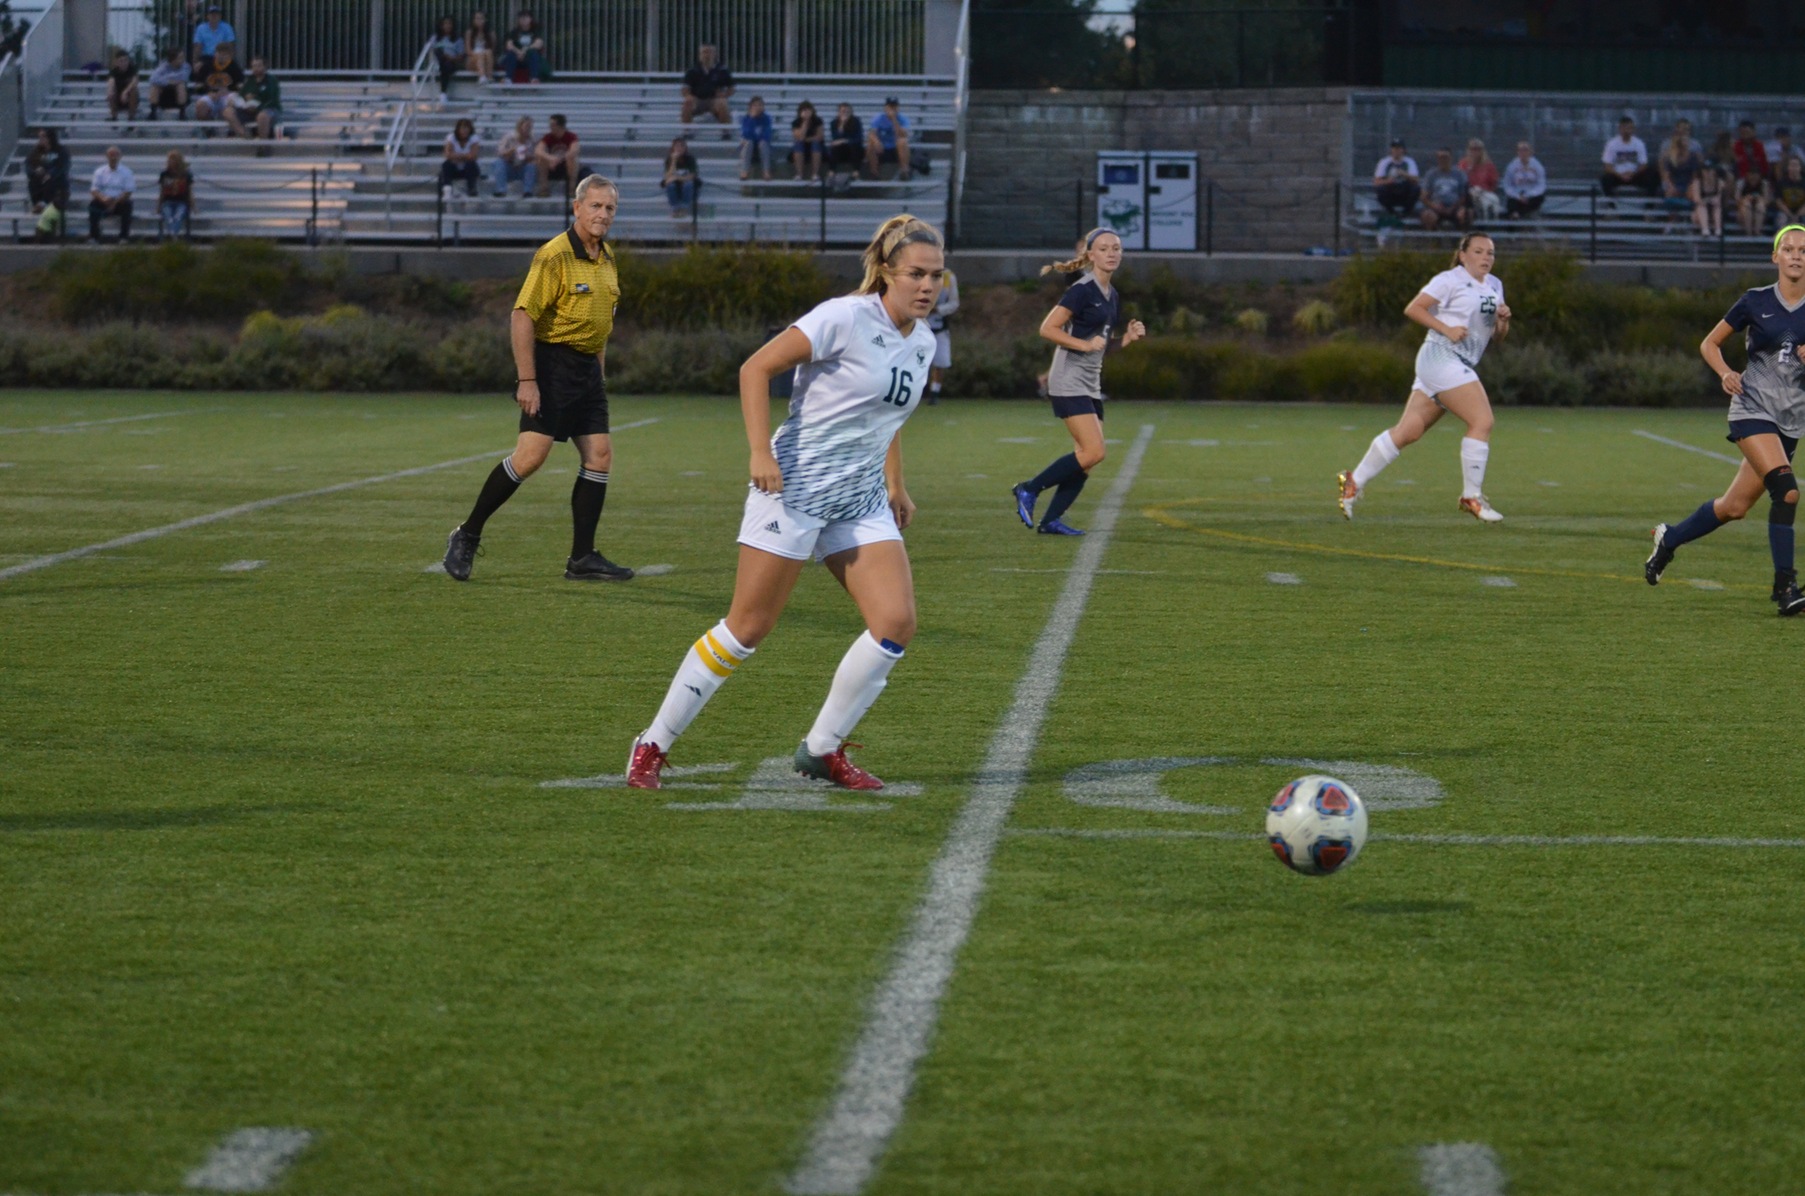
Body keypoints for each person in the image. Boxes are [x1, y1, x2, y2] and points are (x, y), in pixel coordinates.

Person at [625, 214, 948, 793]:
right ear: (886, 273)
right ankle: (652, 743)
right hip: (793, 489)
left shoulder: (922, 341)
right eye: (916, 274)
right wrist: (759, 451)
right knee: (747, 628)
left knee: (895, 623)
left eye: (936, 275)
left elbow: (887, 417)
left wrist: (895, 483)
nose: (927, 286)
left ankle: (822, 749)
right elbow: (756, 368)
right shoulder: (843, 317)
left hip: (859, 498)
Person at [442, 174, 632, 585]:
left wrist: (598, 375)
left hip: (587, 371)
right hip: (551, 366)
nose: (603, 214)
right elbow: (522, 315)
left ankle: (582, 557)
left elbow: (601, 322)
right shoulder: (554, 255)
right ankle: (467, 534)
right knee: (531, 457)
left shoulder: (608, 257)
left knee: (599, 455)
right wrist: (527, 379)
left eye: (610, 208)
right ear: (577, 208)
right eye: (595, 206)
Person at [1645, 224, 1805, 616]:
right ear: (1775, 256)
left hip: (1790, 419)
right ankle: (1786, 588)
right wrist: (1725, 372)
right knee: (1786, 491)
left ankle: (1669, 539)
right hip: (1751, 408)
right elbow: (1709, 343)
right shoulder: (1755, 300)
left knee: (1734, 507)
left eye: (1803, 250)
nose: (1796, 256)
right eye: (1789, 249)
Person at [1337, 232, 1512, 523]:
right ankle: (1471, 497)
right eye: (1478, 251)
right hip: (1441, 356)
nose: (1486, 257)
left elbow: (1498, 336)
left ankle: (1353, 481)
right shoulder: (1449, 279)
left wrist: (1503, 321)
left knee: (1409, 431)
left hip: (1456, 362)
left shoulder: (1495, 285)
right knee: (1482, 421)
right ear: (1463, 255)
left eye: (1490, 252)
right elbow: (1414, 308)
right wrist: (1446, 329)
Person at [1011, 228, 1147, 536]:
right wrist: (1084, 345)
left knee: (1086, 459)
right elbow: (1048, 329)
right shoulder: (1082, 289)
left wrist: (1126, 338)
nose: (1111, 253)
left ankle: (1051, 520)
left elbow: (1101, 345)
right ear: (1091, 255)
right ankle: (1028, 489)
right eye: (1104, 248)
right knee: (1094, 451)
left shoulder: (1112, 295)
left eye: (1116, 248)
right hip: (1068, 378)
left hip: (1089, 382)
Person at [88, 145, 135, 243]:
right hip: (103, 201)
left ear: (120, 157)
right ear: (107, 156)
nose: (113, 158)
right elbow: (94, 190)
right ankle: (94, 237)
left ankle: (123, 237)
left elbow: (128, 191)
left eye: (115, 155)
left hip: (119, 201)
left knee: (128, 205)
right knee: (92, 205)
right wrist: (103, 199)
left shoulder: (127, 172)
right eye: (111, 155)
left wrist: (115, 203)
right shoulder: (99, 171)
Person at [1600, 116, 1657, 197]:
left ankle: (1649, 202)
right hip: (1617, 176)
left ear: (1633, 129)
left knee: (1652, 175)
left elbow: (1643, 164)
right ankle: (1611, 202)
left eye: (1629, 128)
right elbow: (1607, 166)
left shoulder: (1639, 143)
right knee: (1605, 179)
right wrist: (1620, 175)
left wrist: (1633, 173)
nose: (1627, 131)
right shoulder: (1611, 144)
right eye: (1624, 128)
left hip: (1635, 175)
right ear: (1619, 129)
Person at [926, 264, 958, 404]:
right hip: (920, 327)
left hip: (940, 327)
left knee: (941, 362)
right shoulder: (919, 273)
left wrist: (938, 309)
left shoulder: (948, 276)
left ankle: (934, 394)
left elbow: (954, 303)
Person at [680, 43, 734, 125]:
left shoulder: (722, 70)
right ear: (700, 55)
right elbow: (685, 89)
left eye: (709, 52)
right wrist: (688, 96)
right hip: (698, 100)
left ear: (714, 54)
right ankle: (687, 130)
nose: (706, 55)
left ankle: (725, 130)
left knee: (722, 103)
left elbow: (732, 88)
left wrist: (724, 95)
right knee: (687, 103)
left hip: (715, 100)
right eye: (704, 52)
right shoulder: (692, 71)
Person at [1659, 123, 1703, 221]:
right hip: (1675, 183)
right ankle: (1671, 222)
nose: (1686, 143)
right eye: (1683, 141)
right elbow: (1666, 175)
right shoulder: (1670, 156)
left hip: (1688, 183)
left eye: (1687, 141)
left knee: (1693, 192)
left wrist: (1690, 187)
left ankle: (1691, 219)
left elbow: (1695, 176)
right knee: (1669, 192)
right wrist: (1671, 186)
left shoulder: (1693, 156)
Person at [1734, 121, 1771, 235]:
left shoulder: (1759, 146)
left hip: (1760, 206)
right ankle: (1749, 233)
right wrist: (1746, 199)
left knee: (1760, 206)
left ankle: (1757, 232)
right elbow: (1737, 199)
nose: (1745, 135)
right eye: (1743, 132)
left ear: (1753, 132)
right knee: (1747, 205)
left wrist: (1759, 199)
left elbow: (1767, 200)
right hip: (1741, 177)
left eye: (1748, 132)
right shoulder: (1736, 146)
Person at [191, 45, 244, 124]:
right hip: (210, 94)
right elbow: (198, 85)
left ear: (229, 55)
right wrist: (209, 92)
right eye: (219, 53)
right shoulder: (207, 66)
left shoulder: (235, 68)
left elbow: (240, 86)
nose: (221, 57)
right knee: (200, 105)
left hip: (227, 95)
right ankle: (207, 128)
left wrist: (228, 91)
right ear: (215, 53)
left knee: (233, 103)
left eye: (224, 54)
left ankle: (229, 128)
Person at [232, 56, 282, 140]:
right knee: (228, 111)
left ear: (265, 67)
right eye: (254, 66)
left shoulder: (271, 80)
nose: (256, 68)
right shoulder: (249, 80)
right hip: (249, 110)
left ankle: (262, 144)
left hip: (268, 109)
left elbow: (272, 99)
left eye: (259, 66)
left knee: (262, 116)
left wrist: (257, 105)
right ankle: (245, 136)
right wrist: (245, 99)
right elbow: (241, 95)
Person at [1419, 148, 1469, 231]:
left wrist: (1453, 207)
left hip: (1455, 206)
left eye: (1445, 157)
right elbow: (1423, 197)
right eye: (1440, 157)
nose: (1443, 160)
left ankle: (1462, 236)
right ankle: (1432, 237)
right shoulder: (1431, 175)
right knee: (1428, 216)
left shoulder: (1459, 174)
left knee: (1465, 214)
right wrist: (1434, 206)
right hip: (1436, 207)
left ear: (1451, 158)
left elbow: (1463, 196)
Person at [26, 128, 70, 217]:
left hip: (56, 182)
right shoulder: (36, 152)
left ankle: (43, 205)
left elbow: (63, 167)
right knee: (33, 182)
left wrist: (50, 174)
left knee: (50, 181)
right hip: (40, 181)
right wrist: (35, 171)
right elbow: (28, 166)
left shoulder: (60, 150)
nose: (40, 139)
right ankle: (38, 204)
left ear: (50, 137)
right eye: (39, 137)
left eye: (43, 137)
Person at [533, 113, 579, 198]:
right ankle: (544, 189)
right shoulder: (548, 137)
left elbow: (574, 150)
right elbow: (538, 150)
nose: (550, 127)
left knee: (571, 159)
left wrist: (559, 159)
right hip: (551, 166)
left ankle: (571, 189)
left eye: (552, 125)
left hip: (565, 166)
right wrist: (550, 158)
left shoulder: (571, 137)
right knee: (541, 159)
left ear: (560, 126)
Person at [1372, 139, 1419, 217]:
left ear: (1403, 150)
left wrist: (1404, 174)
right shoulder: (1384, 162)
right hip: (1390, 191)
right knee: (1380, 189)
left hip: (1404, 191)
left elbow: (1416, 180)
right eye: (1394, 148)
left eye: (1399, 148)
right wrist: (1388, 181)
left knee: (1416, 189)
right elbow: (1376, 182)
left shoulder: (1409, 162)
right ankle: (1391, 211)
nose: (1396, 151)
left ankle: (1406, 212)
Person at [497, 10, 547, 83]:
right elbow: (509, 45)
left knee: (533, 53)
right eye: (521, 17)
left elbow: (538, 44)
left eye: (526, 17)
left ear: (531, 19)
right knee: (510, 54)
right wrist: (518, 52)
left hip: (529, 59)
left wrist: (525, 51)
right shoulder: (514, 32)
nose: (523, 19)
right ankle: (508, 78)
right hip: (516, 58)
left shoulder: (535, 31)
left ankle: (534, 78)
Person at [492, 115, 537, 196]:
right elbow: (500, 152)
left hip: (522, 167)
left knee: (531, 166)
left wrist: (526, 156)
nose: (528, 128)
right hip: (509, 166)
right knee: (499, 163)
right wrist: (512, 150)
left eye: (530, 126)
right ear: (520, 126)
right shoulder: (509, 137)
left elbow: (535, 156)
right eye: (527, 126)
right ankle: (501, 190)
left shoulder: (532, 140)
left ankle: (528, 191)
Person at [866, 97, 911, 179]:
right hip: (882, 148)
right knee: (871, 143)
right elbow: (871, 133)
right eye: (891, 107)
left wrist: (894, 120)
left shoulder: (903, 119)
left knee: (902, 141)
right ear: (886, 108)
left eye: (895, 107)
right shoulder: (878, 118)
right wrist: (876, 141)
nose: (893, 109)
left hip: (896, 149)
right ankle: (874, 172)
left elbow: (903, 135)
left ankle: (904, 171)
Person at [1501, 140, 1546, 219]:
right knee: (1511, 201)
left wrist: (1528, 195)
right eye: (1520, 150)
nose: (1523, 152)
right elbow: (1507, 185)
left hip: (1532, 194)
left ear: (1530, 152)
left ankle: (1517, 214)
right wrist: (1518, 196)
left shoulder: (1537, 166)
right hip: (1517, 193)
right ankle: (1516, 216)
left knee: (1538, 199)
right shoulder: (1512, 166)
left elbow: (1541, 185)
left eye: (1525, 150)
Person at [1459, 138, 1501, 222]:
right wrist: (1469, 170)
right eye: (1473, 149)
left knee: (1491, 200)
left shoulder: (1488, 165)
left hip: (1484, 193)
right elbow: (1460, 180)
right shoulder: (1463, 164)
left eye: (1478, 149)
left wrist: (1485, 190)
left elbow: (1494, 183)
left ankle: (1490, 221)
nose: (1475, 152)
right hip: (1468, 194)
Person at [157, 149, 194, 240]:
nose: (170, 162)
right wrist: (158, 206)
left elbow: (190, 192)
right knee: (169, 216)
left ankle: (173, 235)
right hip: (167, 202)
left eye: (173, 160)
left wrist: (193, 206)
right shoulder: (164, 174)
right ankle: (174, 236)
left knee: (178, 216)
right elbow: (162, 191)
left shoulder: (186, 175)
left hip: (182, 202)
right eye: (169, 160)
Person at [440, 117, 482, 197]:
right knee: (446, 164)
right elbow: (447, 154)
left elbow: (473, 156)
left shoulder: (474, 138)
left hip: (469, 170)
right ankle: (447, 189)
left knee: (471, 164)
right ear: (458, 129)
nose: (465, 131)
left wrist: (456, 156)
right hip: (454, 168)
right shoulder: (451, 137)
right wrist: (465, 156)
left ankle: (471, 188)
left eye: (467, 128)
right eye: (462, 128)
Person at [1691, 146, 1727, 238]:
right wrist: (1708, 200)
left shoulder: (1720, 182)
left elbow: (1719, 199)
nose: (1707, 172)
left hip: (1715, 212)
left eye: (1709, 170)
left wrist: (1712, 200)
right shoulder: (1697, 182)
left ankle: (1718, 229)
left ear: (1714, 171)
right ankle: (1705, 229)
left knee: (1717, 206)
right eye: (1704, 170)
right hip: (1700, 213)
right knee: (1701, 206)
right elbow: (1697, 199)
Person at [146, 45, 189, 119]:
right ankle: (153, 113)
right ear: (173, 59)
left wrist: (165, 79)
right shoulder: (163, 66)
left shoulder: (186, 66)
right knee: (155, 86)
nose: (183, 59)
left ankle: (182, 114)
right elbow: (152, 79)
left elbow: (183, 78)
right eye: (180, 57)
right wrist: (169, 81)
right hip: (164, 94)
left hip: (177, 95)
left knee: (180, 85)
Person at [738, 95, 774, 181]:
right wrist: (752, 119)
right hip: (749, 147)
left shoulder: (766, 119)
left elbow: (767, 135)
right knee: (749, 142)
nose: (758, 107)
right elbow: (746, 135)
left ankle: (766, 171)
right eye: (755, 105)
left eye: (760, 105)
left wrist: (756, 138)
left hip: (761, 146)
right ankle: (744, 171)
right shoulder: (746, 119)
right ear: (750, 107)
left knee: (763, 143)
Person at [661, 137, 698, 216]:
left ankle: (684, 208)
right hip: (675, 185)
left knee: (688, 184)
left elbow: (692, 176)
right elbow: (668, 176)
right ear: (673, 148)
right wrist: (674, 160)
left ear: (685, 148)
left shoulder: (690, 159)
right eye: (677, 146)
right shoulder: (669, 159)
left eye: (682, 146)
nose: (679, 148)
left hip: (686, 185)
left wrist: (677, 178)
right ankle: (675, 208)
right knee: (670, 185)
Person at [825, 102, 862, 179]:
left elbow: (858, 139)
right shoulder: (834, 123)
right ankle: (832, 170)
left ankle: (856, 171)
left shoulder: (856, 122)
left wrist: (845, 141)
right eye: (843, 111)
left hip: (852, 149)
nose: (845, 114)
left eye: (848, 112)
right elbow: (835, 138)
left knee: (855, 147)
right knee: (834, 147)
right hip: (840, 151)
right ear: (839, 113)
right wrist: (842, 124)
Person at [789, 100, 824, 181]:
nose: (807, 112)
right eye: (804, 110)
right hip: (802, 146)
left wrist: (807, 139)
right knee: (798, 144)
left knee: (815, 144)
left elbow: (820, 136)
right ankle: (799, 174)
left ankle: (815, 174)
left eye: (808, 110)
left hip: (815, 146)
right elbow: (799, 137)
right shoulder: (796, 122)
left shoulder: (818, 121)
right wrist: (805, 122)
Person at [430, 17, 465, 96]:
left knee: (446, 64)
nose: (447, 26)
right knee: (438, 52)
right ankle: (443, 94)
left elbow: (461, 56)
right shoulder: (435, 38)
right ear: (441, 26)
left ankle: (443, 93)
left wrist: (451, 58)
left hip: (452, 62)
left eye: (449, 23)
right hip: (436, 61)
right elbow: (431, 51)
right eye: (445, 24)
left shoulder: (458, 40)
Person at [106, 48, 140, 122]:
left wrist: (125, 92)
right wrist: (110, 91)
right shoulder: (114, 71)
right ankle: (114, 117)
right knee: (111, 92)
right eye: (121, 61)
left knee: (134, 90)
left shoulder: (132, 69)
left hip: (130, 99)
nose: (124, 63)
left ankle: (131, 118)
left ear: (128, 61)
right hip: (118, 99)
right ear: (117, 62)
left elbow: (135, 81)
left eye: (125, 60)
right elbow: (111, 82)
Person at [1772, 157, 1805, 227]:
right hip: (1785, 211)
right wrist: (1790, 215)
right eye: (1792, 165)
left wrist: (1797, 215)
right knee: (1781, 219)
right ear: (1788, 168)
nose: (1794, 168)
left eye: (1796, 165)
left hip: (1802, 211)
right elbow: (1779, 201)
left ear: (1800, 168)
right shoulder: (1781, 182)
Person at [465, 12, 496, 83]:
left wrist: (483, 54)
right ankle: (482, 77)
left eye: (481, 18)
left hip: (486, 59)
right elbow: (468, 51)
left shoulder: (490, 33)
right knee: (480, 55)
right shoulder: (469, 32)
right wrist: (479, 55)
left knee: (488, 52)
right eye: (477, 18)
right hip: (473, 59)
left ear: (485, 20)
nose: (479, 20)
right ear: (473, 20)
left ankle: (489, 77)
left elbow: (493, 50)